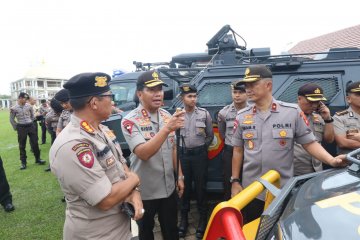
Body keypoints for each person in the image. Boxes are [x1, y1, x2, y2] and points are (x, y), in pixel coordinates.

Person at [231, 65, 347, 223]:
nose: (248, 89)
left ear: (268, 85)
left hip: (281, 190)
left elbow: (309, 143)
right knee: (252, 229)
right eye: (247, 85)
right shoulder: (242, 116)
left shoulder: (291, 112)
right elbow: (238, 151)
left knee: (280, 228)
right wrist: (235, 181)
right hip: (252, 190)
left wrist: (331, 160)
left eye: (253, 84)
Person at [50, 72, 143, 240]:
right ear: (94, 103)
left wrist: (134, 192)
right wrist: (135, 179)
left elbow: (122, 166)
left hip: (120, 230)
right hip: (96, 235)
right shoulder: (72, 145)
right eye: (109, 96)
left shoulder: (101, 130)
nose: (113, 102)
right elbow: (106, 199)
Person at [121, 70, 185, 240]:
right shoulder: (129, 120)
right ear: (140, 94)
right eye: (152, 90)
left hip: (168, 188)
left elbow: (173, 149)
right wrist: (167, 129)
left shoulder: (166, 115)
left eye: (160, 89)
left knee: (171, 230)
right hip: (145, 191)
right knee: (146, 233)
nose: (158, 94)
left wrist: (179, 175)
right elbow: (143, 153)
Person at [177, 83, 214, 239]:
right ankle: (184, 220)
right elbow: (174, 137)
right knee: (183, 189)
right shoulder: (177, 115)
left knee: (201, 188)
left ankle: (202, 220)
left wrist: (201, 148)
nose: (193, 99)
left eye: (194, 96)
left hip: (199, 156)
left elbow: (210, 135)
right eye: (189, 96)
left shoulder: (204, 114)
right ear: (182, 98)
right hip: (183, 156)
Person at [293, 83, 335, 176]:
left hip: (316, 170)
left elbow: (329, 140)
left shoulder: (318, 118)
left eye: (317, 102)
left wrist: (328, 119)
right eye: (311, 101)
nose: (314, 105)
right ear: (299, 98)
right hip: (295, 171)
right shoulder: (289, 116)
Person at [217, 80, 248, 200]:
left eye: (241, 92)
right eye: (235, 92)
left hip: (249, 152)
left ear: (247, 94)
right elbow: (222, 133)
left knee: (248, 182)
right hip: (230, 152)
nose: (237, 95)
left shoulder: (254, 111)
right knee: (229, 183)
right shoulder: (224, 113)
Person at [10, 92, 45, 170]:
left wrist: (31, 122)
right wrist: (16, 127)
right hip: (21, 127)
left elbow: (32, 115)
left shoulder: (29, 106)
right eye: (24, 99)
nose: (26, 100)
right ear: (20, 98)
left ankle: (38, 159)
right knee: (22, 145)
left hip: (30, 125)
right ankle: (23, 163)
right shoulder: (14, 108)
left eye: (26, 99)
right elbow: (11, 119)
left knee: (35, 143)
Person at [333, 82, 360, 154]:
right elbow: (342, 143)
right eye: (358, 94)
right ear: (348, 99)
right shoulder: (339, 118)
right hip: (350, 163)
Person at [44, 98, 64, 172]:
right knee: (54, 150)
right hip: (55, 134)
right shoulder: (49, 116)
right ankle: (51, 164)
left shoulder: (66, 112)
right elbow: (48, 126)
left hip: (67, 134)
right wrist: (53, 134)